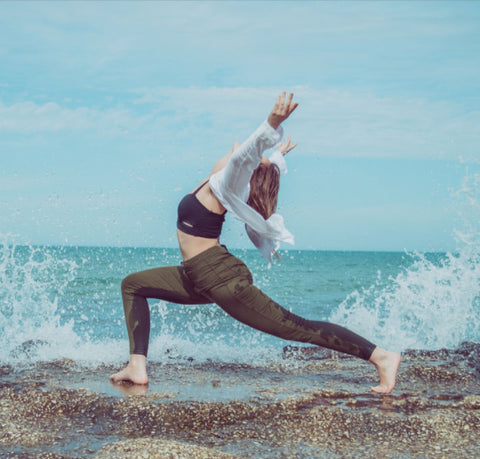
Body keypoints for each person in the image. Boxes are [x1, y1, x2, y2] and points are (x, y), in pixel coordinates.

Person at [110, 92, 401, 394]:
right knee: (133, 284)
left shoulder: (227, 182)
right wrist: (277, 157)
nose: (243, 152)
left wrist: (272, 124)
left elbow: (246, 155)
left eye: (254, 162)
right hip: (199, 273)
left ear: (249, 172)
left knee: (295, 326)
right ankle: (137, 367)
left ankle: (381, 356)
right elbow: (250, 158)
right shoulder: (216, 177)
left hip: (220, 278)